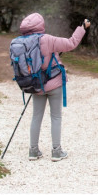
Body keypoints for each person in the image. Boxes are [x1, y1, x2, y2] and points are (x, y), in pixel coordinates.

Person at [19, 12, 90, 162]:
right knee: (56, 117)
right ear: (41, 25)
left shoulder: (22, 42)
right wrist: (82, 27)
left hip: (36, 85)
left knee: (36, 117)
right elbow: (71, 43)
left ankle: (33, 150)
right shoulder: (48, 40)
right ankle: (56, 151)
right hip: (54, 84)